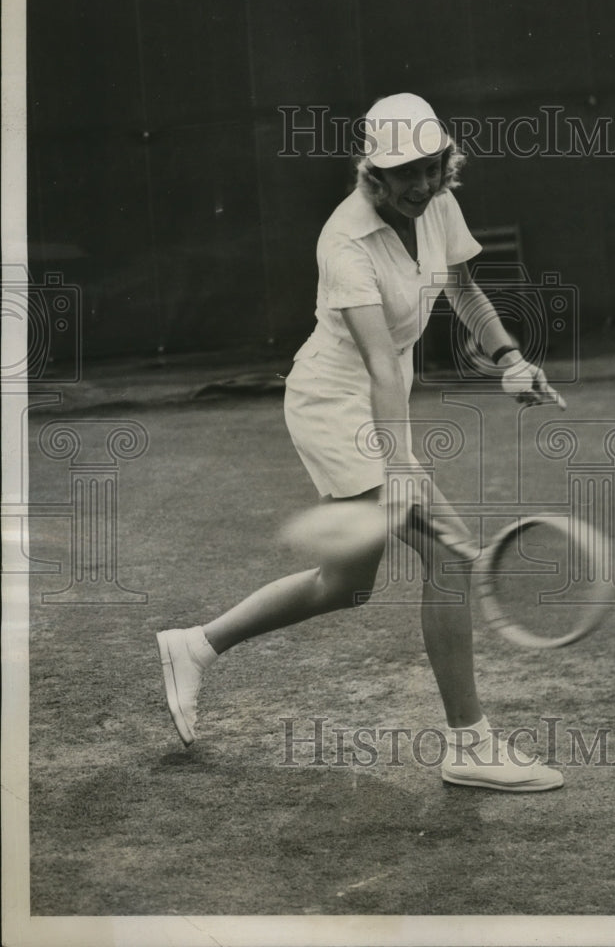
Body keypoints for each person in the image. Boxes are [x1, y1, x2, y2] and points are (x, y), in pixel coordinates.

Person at [156, 93, 563, 792]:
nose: (419, 184)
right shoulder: (343, 240)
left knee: (345, 587)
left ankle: (194, 645)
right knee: (448, 553)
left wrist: (508, 359)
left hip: (375, 404)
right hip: (333, 406)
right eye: (402, 172)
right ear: (372, 172)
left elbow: (463, 290)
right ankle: (469, 744)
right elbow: (378, 364)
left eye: (429, 168)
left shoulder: (437, 206)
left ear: (443, 162)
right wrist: (400, 463)